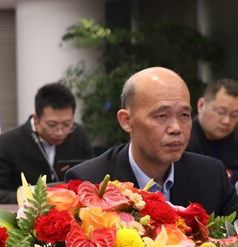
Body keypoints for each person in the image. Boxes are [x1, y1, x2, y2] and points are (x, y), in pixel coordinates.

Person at [65, 67, 238, 216]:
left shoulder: (211, 176)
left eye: (184, 115)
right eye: (162, 116)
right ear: (126, 120)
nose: (176, 128)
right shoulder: (90, 182)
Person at [0, 83, 94, 204]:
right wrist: (27, 200)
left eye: (67, 124)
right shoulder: (9, 141)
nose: (60, 132)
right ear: (36, 118)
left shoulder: (79, 135)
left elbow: (92, 178)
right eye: (52, 125)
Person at [186, 78, 238, 183]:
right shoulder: (184, 138)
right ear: (201, 105)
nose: (227, 121)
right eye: (221, 112)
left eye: (234, 115)